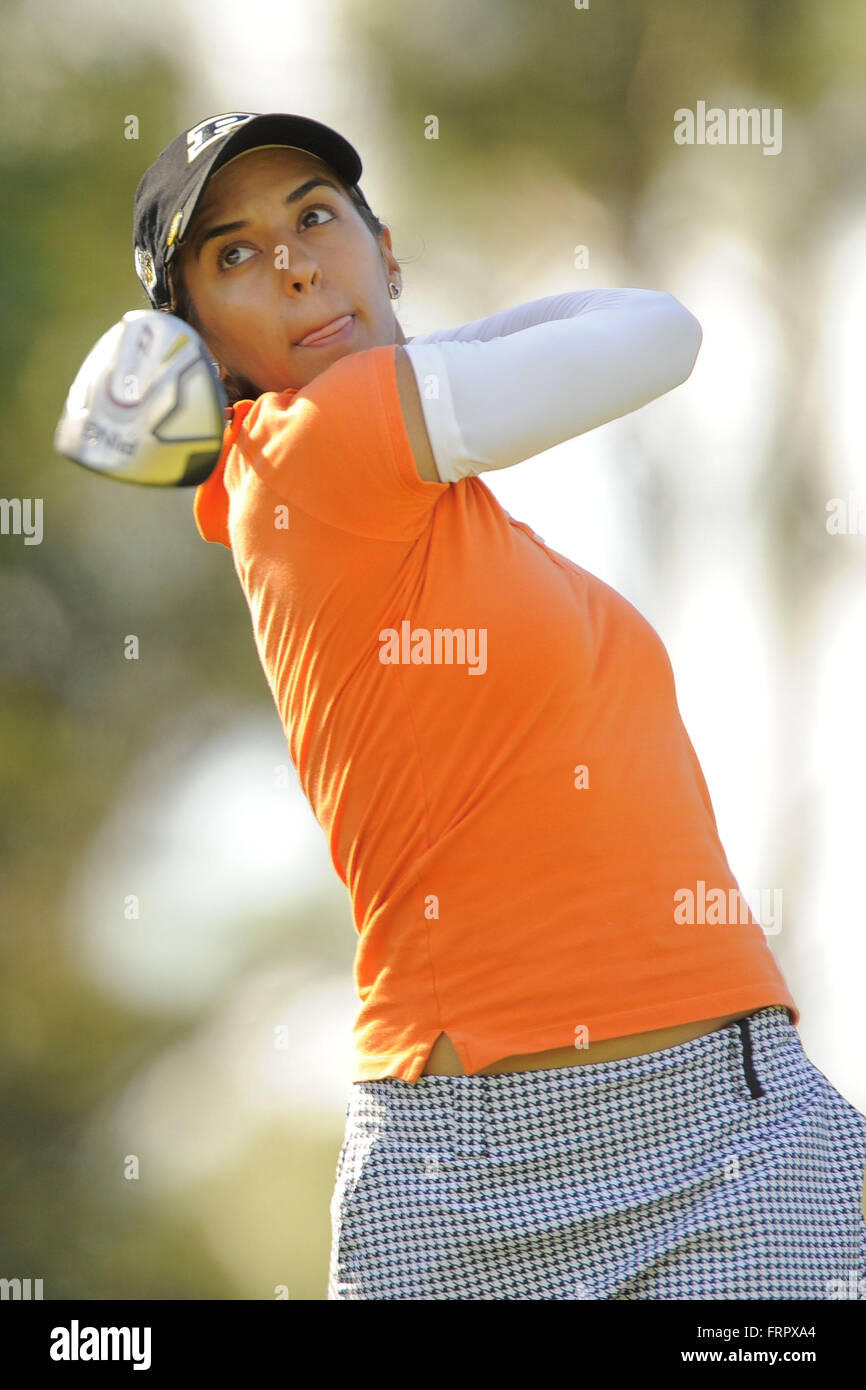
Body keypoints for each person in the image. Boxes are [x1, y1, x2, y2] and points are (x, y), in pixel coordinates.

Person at [133, 111, 866, 1300]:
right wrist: (395, 348)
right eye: (233, 255)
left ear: (387, 250)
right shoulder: (319, 447)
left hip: (735, 1141)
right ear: (200, 346)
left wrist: (396, 344)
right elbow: (655, 333)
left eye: (317, 219)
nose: (295, 264)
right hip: (476, 1183)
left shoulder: (419, 500)